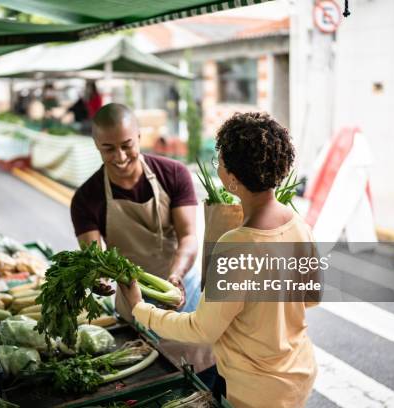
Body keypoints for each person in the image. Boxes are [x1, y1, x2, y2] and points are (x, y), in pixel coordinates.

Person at [119, 112, 320, 408]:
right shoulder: (299, 225)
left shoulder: (236, 246)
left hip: (255, 390)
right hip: (298, 373)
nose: (219, 169)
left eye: (220, 163)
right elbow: (311, 298)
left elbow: (202, 329)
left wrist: (140, 309)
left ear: (233, 179)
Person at [70, 103, 213, 371]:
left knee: (200, 364)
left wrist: (176, 278)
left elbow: (189, 237)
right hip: (133, 298)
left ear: (138, 137)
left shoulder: (173, 174)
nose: (120, 156)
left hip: (182, 289)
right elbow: (94, 257)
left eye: (126, 145)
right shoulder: (85, 199)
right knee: (151, 374)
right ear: (96, 145)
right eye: (108, 149)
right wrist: (99, 279)